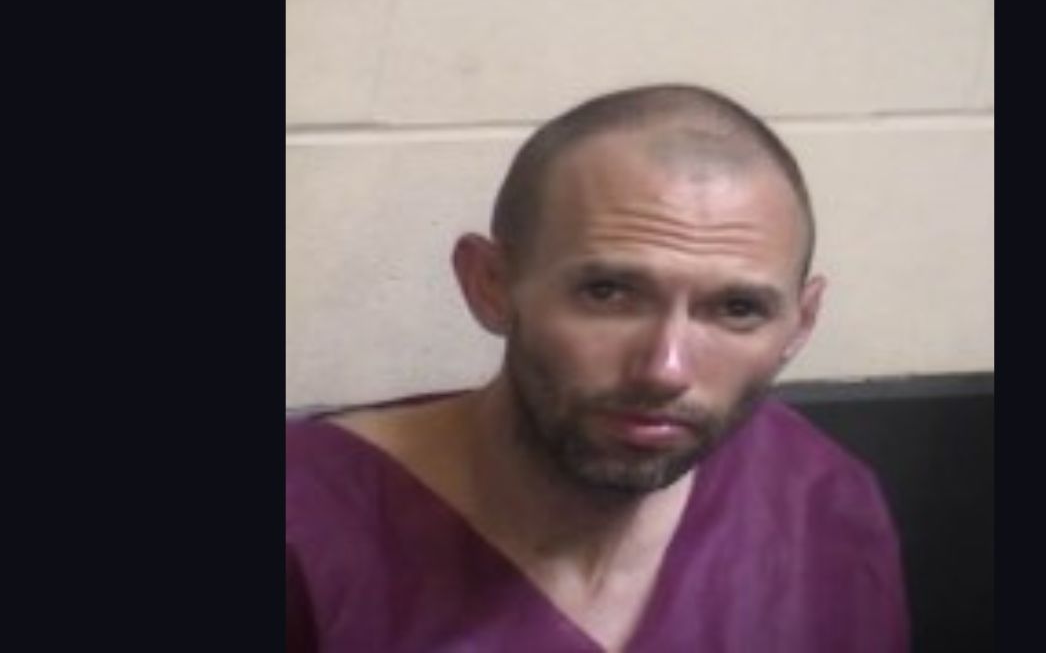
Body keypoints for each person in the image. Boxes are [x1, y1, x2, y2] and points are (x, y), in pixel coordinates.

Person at [286, 84, 909, 652]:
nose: (665, 369)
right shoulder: (305, 522)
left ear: (800, 324)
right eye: (608, 293)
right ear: (491, 284)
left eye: (738, 309)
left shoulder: (817, 504)